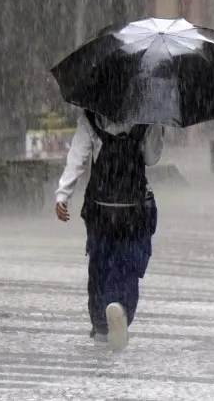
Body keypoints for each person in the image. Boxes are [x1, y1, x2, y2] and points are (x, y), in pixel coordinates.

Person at [55, 109, 163, 352]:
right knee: (127, 266)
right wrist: (156, 128)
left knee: (99, 267)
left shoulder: (92, 114)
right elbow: (150, 158)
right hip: (134, 209)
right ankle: (121, 308)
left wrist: (63, 194)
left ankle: (101, 326)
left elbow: (78, 155)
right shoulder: (149, 111)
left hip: (100, 208)